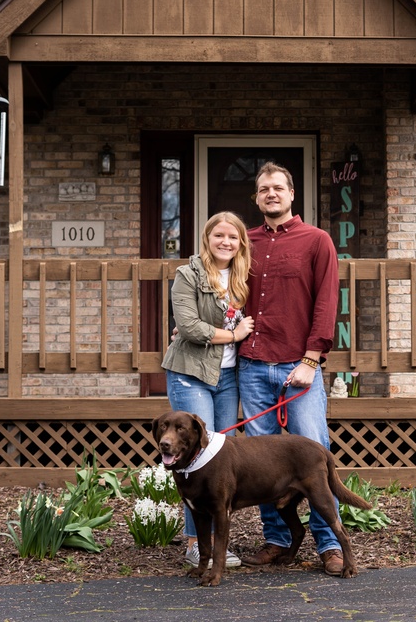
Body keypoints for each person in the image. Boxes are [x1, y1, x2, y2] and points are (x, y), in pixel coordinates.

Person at [236, 161, 344, 576]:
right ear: (257, 197)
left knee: (314, 453)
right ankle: (279, 540)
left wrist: (311, 359)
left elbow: (325, 303)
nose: (271, 194)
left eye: (278, 188)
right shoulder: (245, 241)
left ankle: (330, 543)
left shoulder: (316, 241)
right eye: (264, 189)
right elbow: (224, 293)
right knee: (261, 464)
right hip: (252, 364)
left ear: (292, 194)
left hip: (299, 368)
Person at [161, 211, 254, 570]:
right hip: (190, 373)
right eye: (219, 235)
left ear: (241, 242)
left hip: (228, 378)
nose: (226, 242)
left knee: (218, 461)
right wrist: (233, 335)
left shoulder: (245, 278)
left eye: (233, 237)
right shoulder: (189, 274)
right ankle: (194, 544)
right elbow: (188, 325)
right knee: (193, 457)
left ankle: (215, 543)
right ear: (207, 238)